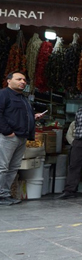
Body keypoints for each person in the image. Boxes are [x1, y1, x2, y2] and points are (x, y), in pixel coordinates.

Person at [0, 72, 44, 206]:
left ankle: (4, 194)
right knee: (2, 167)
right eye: (19, 79)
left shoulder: (23, 98)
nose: (23, 82)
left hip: (21, 137)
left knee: (13, 167)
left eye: (24, 80)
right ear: (8, 81)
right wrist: (8, 132)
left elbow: (19, 114)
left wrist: (33, 116)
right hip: (8, 137)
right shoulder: (3, 94)